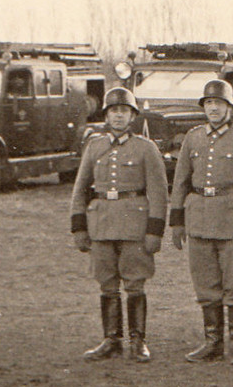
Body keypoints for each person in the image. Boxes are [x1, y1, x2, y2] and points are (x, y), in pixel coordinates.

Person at [170, 80, 233, 365]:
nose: (213, 108)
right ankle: (212, 340)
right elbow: (180, 180)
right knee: (205, 281)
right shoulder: (193, 137)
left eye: (219, 103)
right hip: (199, 217)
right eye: (209, 103)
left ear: (229, 107)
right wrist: (177, 220)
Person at [70, 88, 167, 362]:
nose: (119, 116)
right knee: (107, 283)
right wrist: (78, 226)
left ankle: (138, 341)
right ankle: (111, 339)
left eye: (124, 111)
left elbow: (159, 194)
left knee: (135, 282)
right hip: (100, 223)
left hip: (134, 224)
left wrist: (154, 231)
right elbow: (79, 189)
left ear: (133, 116)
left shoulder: (146, 148)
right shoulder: (94, 146)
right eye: (114, 111)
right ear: (106, 115)